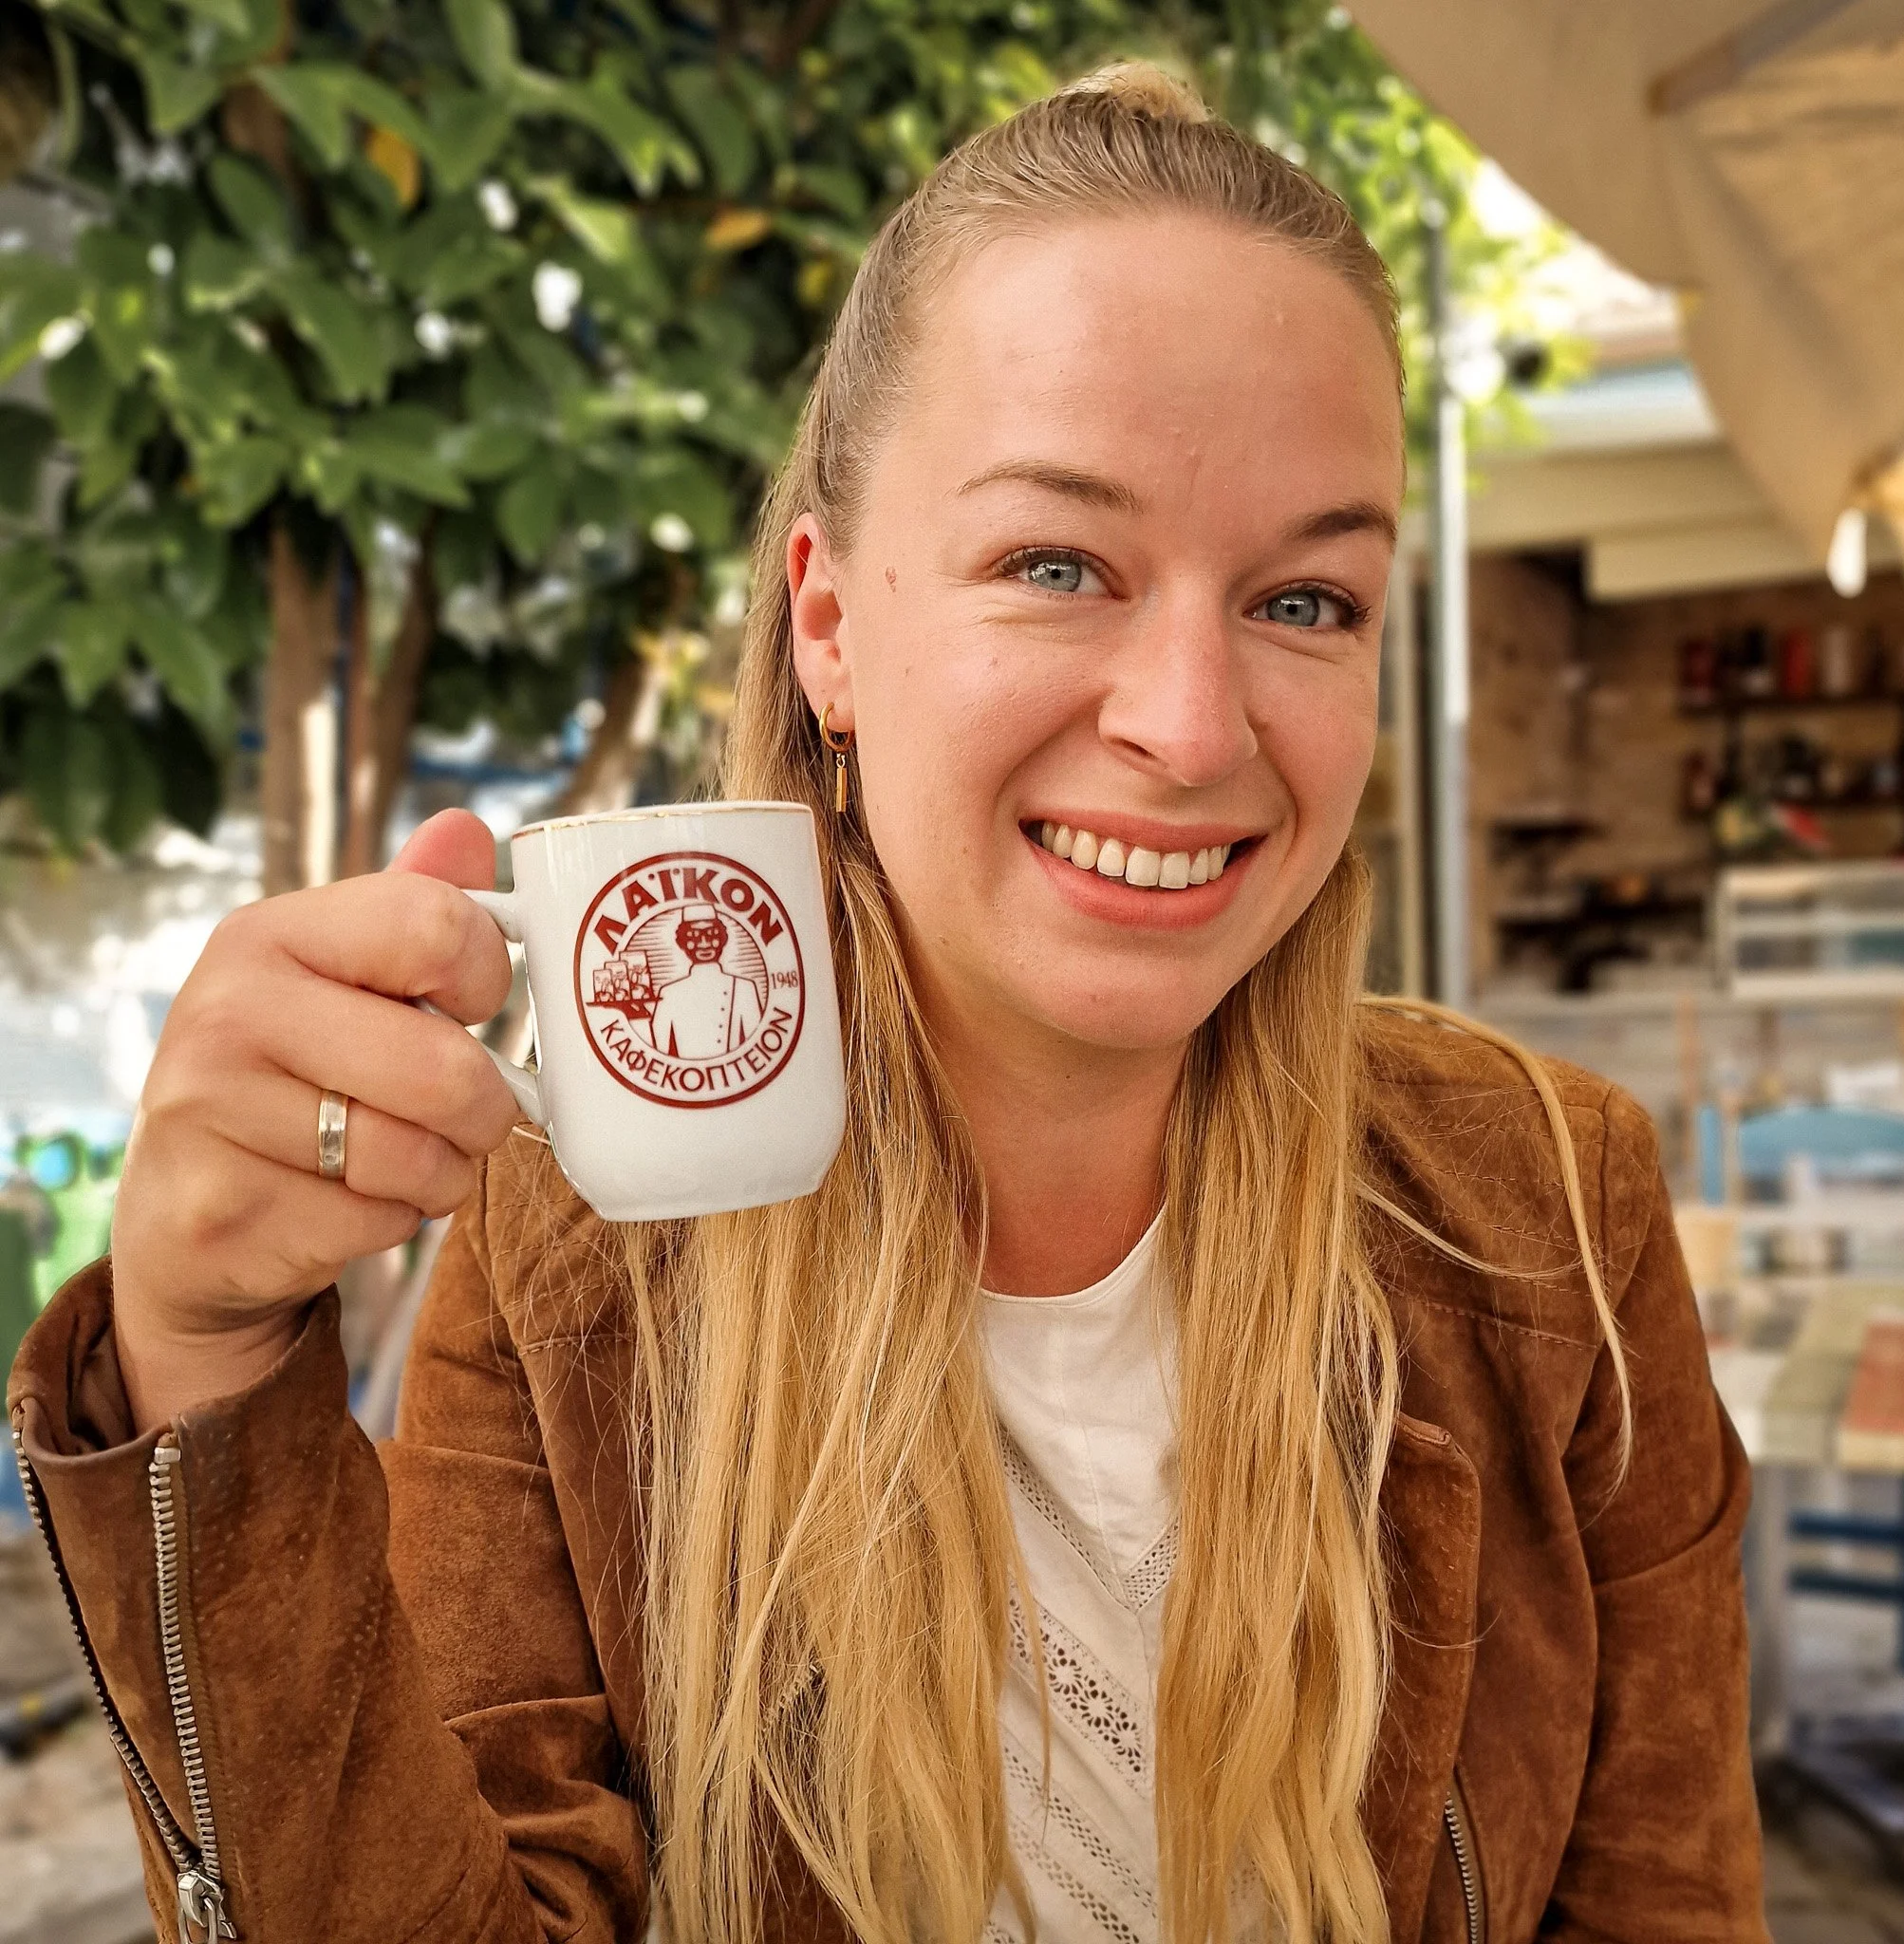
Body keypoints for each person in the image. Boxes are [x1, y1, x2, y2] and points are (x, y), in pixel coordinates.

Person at [8, 66, 1764, 1944]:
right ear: (830, 624)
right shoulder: (572, 1250)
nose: (1189, 725)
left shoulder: (1551, 1212)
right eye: (1055, 564)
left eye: (1306, 600)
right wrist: (200, 1374)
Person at [649, 906, 763, 1058]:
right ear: (682, 942)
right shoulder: (668, 993)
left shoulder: (744, 988)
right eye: (694, 937)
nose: (704, 943)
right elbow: (657, 1049)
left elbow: (758, 1045)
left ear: (722, 939)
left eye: (711, 935)